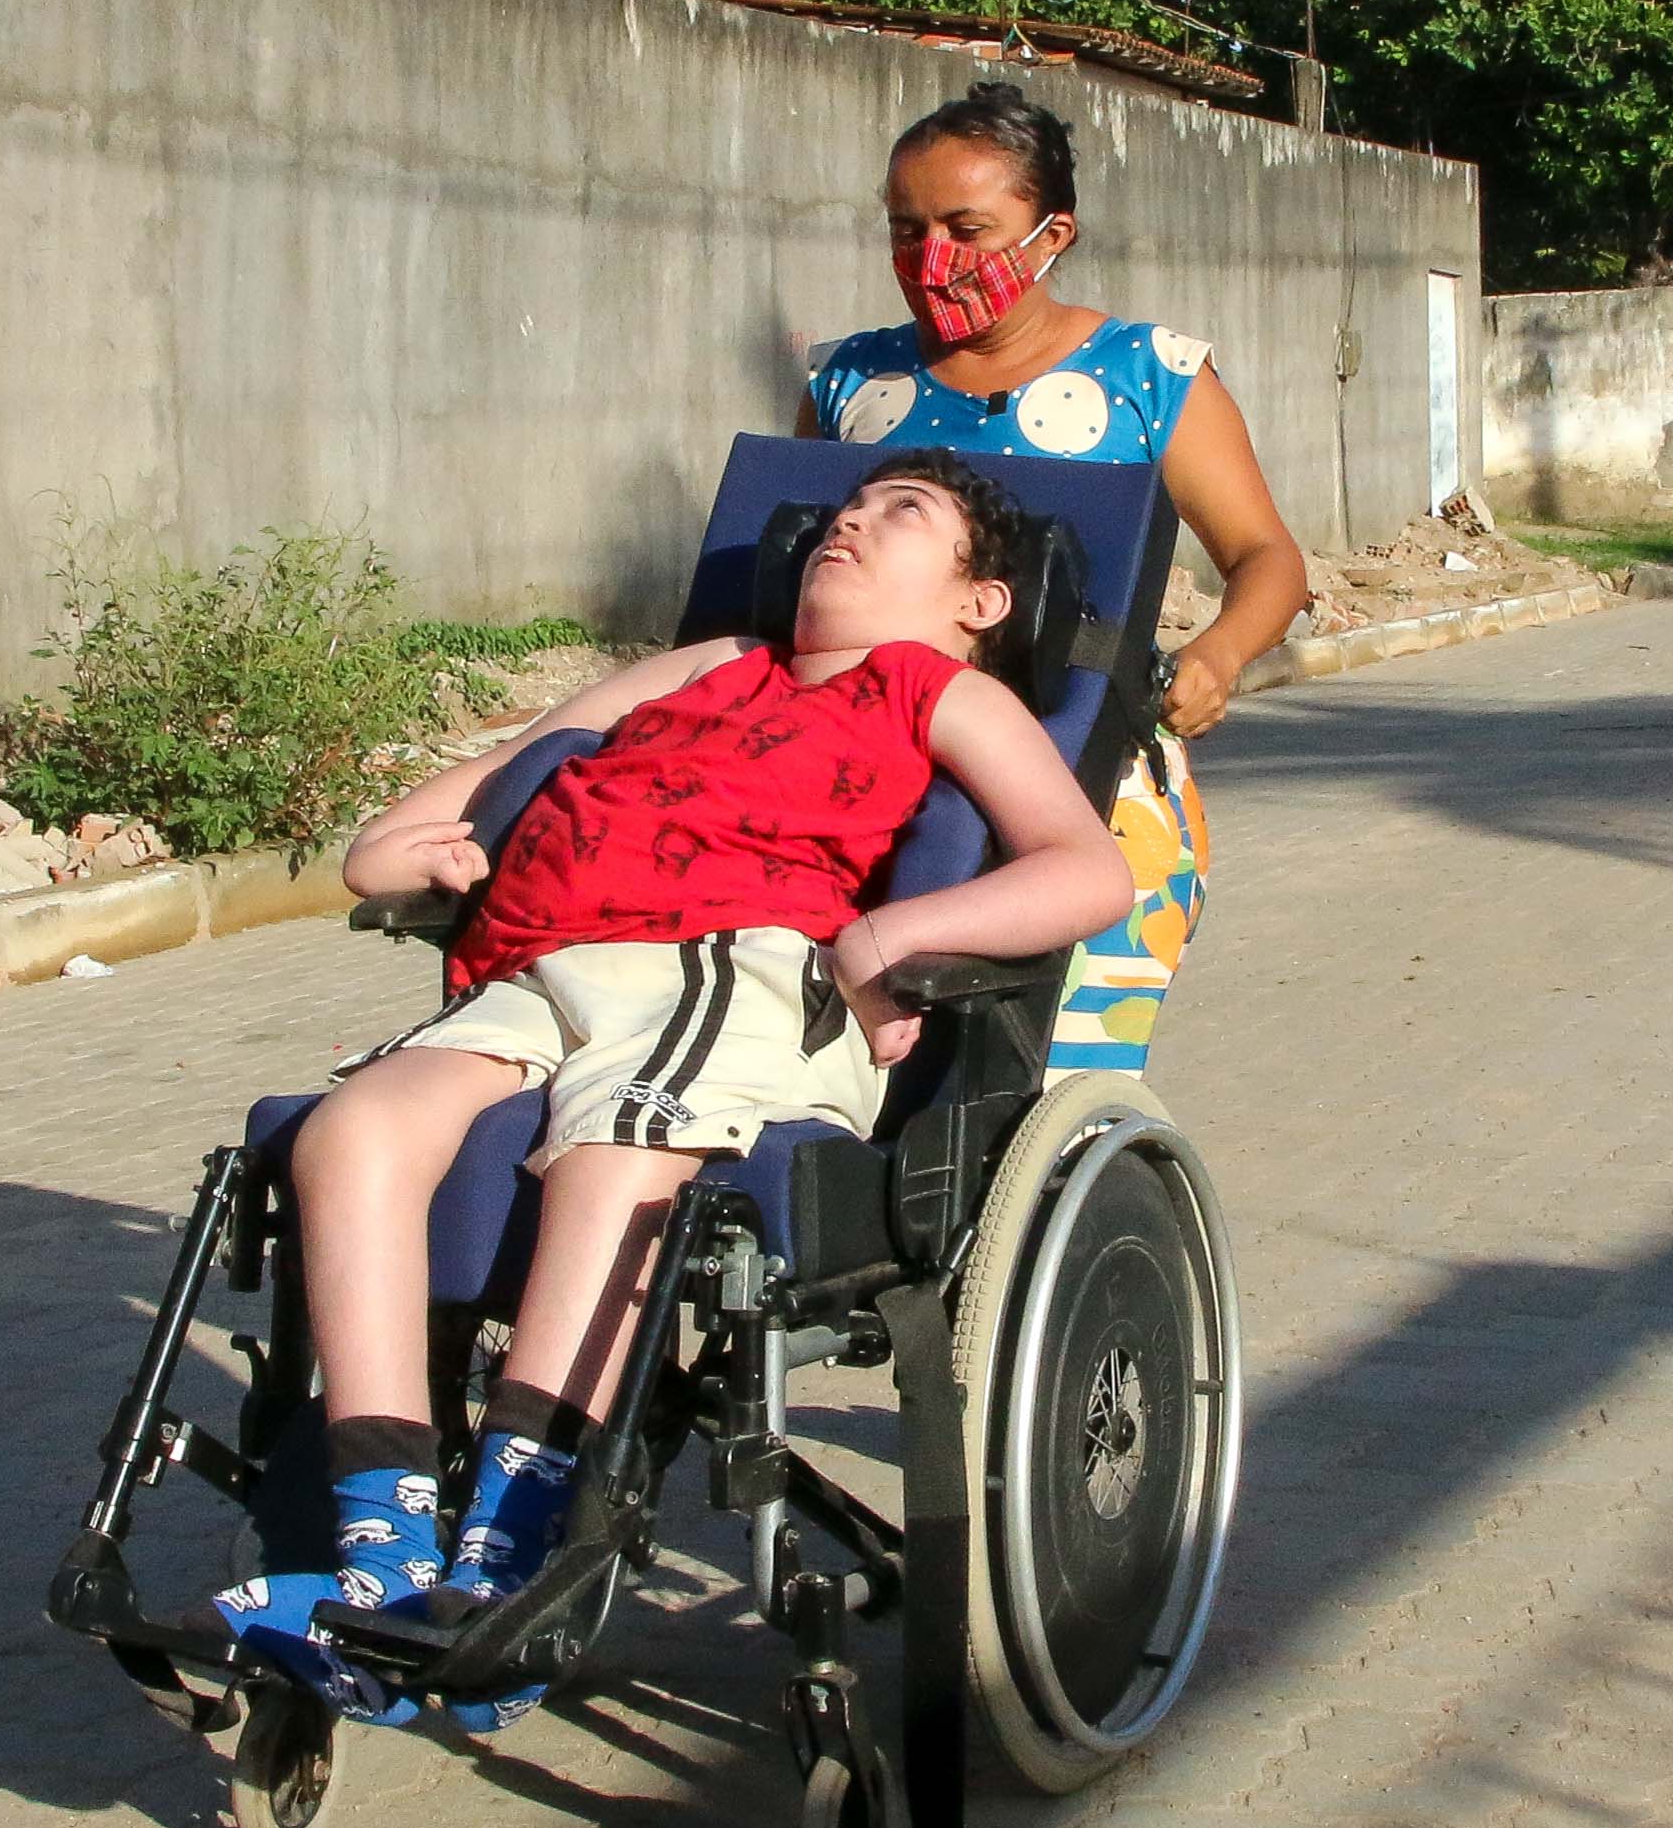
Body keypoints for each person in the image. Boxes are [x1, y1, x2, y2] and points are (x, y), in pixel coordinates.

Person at [218, 452, 1135, 1731]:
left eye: (899, 516)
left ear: (980, 600)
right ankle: (384, 1537)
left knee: (623, 1150)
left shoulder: (935, 689)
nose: (847, 527)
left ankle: (512, 1541)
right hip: (547, 961)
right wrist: (383, 845)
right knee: (351, 1134)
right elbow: (511, 764)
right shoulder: (707, 667)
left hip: (730, 963)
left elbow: (1086, 872)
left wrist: (885, 939)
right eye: (842, 511)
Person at [797, 81, 1308, 1073]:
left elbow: (1268, 559)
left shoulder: (1150, 377)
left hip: (1086, 791)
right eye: (906, 229)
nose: (929, 259)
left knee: (1043, 1086)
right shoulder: (848, 386)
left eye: (967, 229)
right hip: (854, 789)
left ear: (1051, 233)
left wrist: (1221, 654)